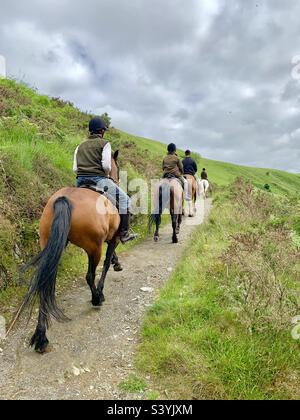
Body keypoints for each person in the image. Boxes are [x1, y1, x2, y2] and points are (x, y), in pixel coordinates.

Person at [73, 116, 137, 244]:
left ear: (90, 130)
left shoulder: (79, 146)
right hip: (98, 180)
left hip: (80, 181)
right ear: (102, 131)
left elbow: (75, 168)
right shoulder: (105, 144)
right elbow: (107, 166)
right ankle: (124, 233)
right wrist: (106, 175)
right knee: (125, 201)